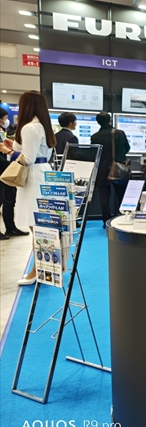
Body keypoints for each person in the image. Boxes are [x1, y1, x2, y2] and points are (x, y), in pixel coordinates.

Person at [9, 92, 56, 284]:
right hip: (41, 174)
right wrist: (13, 148)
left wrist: (8, 151)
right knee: (40, 225)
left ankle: (38, 270)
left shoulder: (30, 127)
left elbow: (27, 159)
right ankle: (43, 267)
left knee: (37, 225)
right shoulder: (42, 126)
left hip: (34, 177)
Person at [90, 112, 130, 227]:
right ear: (110, 120)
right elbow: (127, 148)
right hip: (119, 168)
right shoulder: (120, 133)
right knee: (121, 195)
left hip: (102, 170)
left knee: (104, 197)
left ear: (98, 122)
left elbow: (94, 154)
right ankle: (123, 218)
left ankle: (106, 221)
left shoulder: (95, 137)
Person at [0, 106, 30, 240]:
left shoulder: (3, 132)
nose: (6, 121)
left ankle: (10, 227)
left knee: (9, 199)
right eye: (5, 118)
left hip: (8, 171)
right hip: (4, 170)